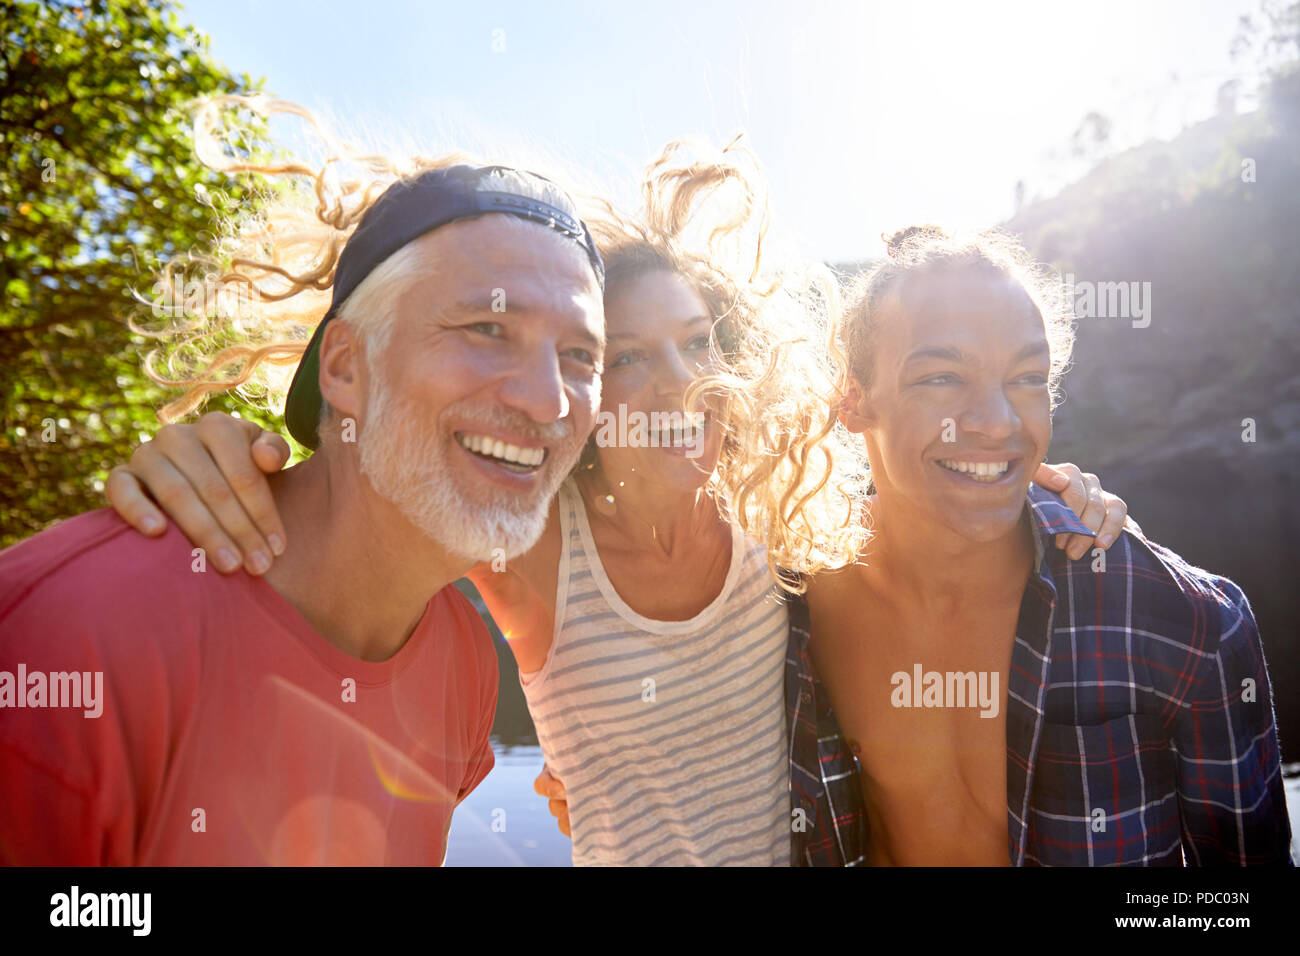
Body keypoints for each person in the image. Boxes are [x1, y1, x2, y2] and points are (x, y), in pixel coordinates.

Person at [102, 122, 1132, 865]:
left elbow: (944, 491)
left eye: (697, 342)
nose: (679, 380)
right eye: (629, 355)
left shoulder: (780, 508)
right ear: (587, 391)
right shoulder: (531, 542)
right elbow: (370, 494)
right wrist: (212, 453)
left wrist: (1057, 494)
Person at [0, 123, 606, 862]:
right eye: (487, 328)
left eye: (580, 355)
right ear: (346, 368)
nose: (549, 401)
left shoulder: (464, 663)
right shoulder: (70, 637)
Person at [802, 225, 1293, 865]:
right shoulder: (795, 603)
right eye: (942, 378)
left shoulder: (1180, 623)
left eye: (1027, 377)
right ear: (853, 401)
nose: (998, 421)